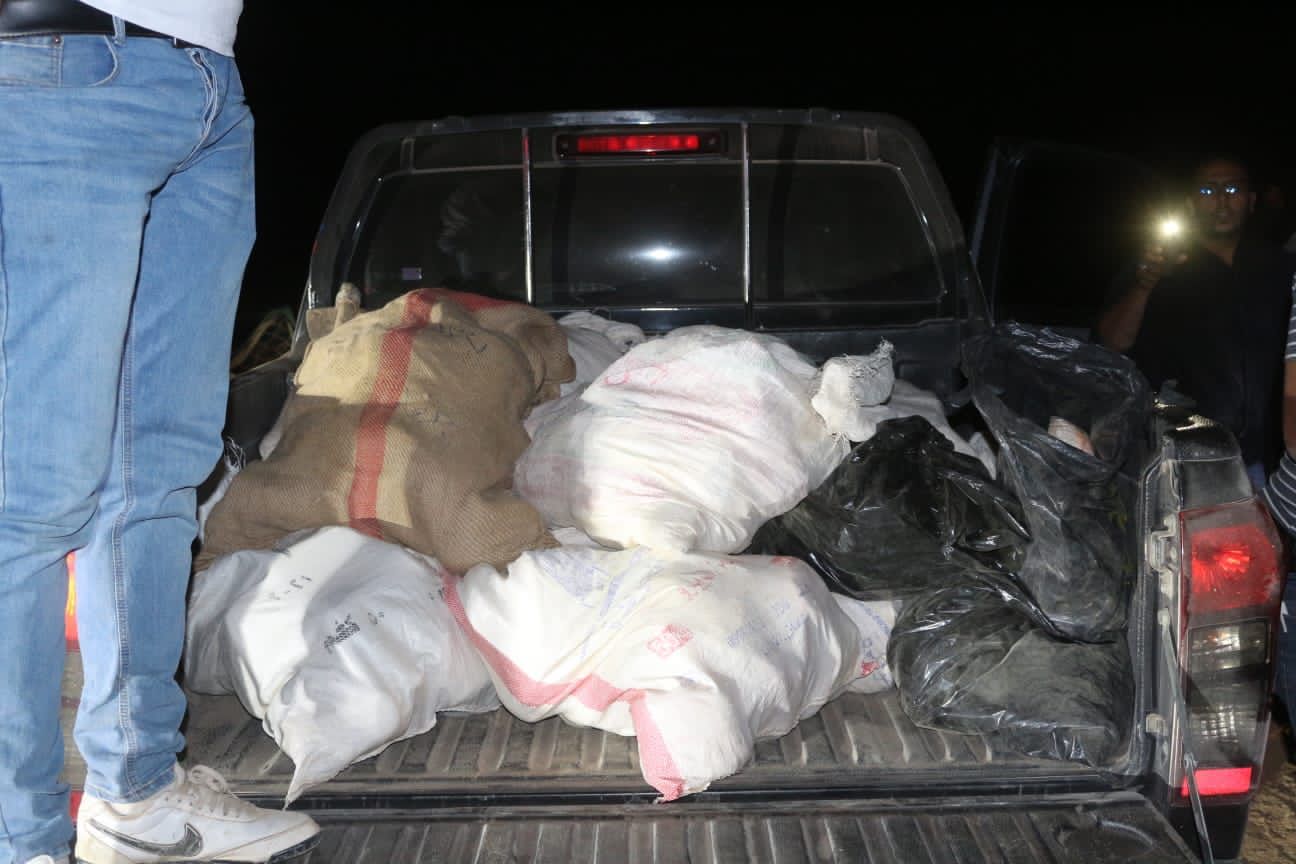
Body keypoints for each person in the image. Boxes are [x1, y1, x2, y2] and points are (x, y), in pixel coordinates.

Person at [0, 2, 320, 863]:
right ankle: (20, 839)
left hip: (209, 88)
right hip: (60, 68)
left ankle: (136, 794)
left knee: (160, 471)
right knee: (32, 492)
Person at [1096, 154, 1295, 489]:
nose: (1221, 201)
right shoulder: (1159, 265)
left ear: (1251, 201)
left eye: (1232, 189)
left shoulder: (1280, 267)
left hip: (1269, 462)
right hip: (1185, 459)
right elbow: (1113, 341)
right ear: (1190, 204)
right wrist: (1145, 285)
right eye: (1207, 191)